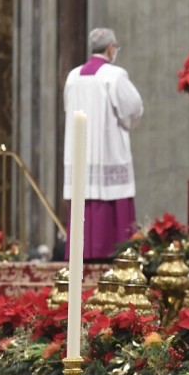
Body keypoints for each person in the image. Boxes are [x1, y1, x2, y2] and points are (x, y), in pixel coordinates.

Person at [63, 28, 143, 260]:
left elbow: (68, 108)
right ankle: (111, 253)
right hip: (108, 150)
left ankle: (83, 255)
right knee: (109, 197)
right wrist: (128, 123)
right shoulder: (115, 75)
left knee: (83, 195)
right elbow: (133, 108)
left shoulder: (73, 76)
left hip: (79, 150)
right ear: (110, 48)